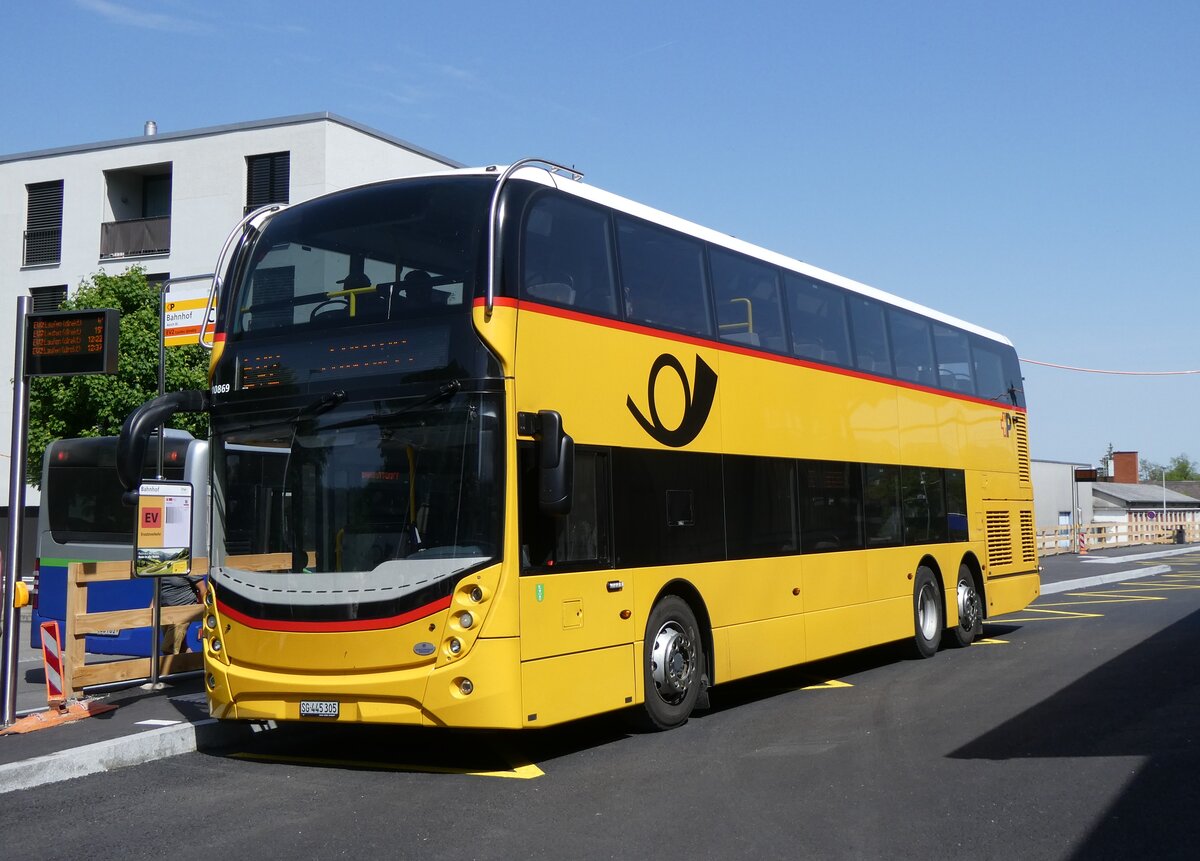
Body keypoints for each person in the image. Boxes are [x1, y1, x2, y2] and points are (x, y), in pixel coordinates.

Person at [158, 575, 204, 654]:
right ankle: (195, 663)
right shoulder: (164, 566)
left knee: (168, 648)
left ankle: (171, 666)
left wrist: (205, 610)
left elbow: (202, 589)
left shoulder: (187, 566)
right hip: (166, 613)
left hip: (184, 612)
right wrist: (151, 609)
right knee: (182, 648)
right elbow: (158, 590)